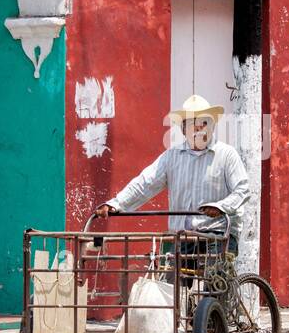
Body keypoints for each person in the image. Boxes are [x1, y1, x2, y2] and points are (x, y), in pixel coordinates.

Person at [95, 94, 249, 253]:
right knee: (170, 276)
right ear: (183, 129)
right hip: (182, 236)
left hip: (218, 233)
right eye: (192, 124)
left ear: (212, 126)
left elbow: (242, 190)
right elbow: (145, 184)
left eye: (205, 122)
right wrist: (115, 204)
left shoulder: (226, 155)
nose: (199, 128)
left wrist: (220, 207)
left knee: (214, 276)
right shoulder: (171, 157)